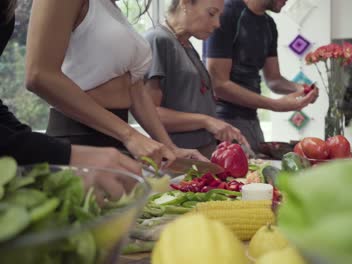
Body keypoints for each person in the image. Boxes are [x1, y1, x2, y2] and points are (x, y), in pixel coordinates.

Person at [24, 0, 206, 168]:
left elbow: (134, 88)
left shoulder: (111, 8)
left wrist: (170, 147)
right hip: (78, 139)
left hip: (118, 139)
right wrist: (130, 135)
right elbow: (39, 75)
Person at [1, 0, 142, 197]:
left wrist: (35, 145)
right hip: (78, 133)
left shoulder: (7, 12)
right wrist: (61, 154)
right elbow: (39, 75)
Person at [203, 0, 319, 151]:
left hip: (252, 121)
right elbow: (218, 84)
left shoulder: (269, 24)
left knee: (258, 172)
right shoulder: (227, 13)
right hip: (223, 122)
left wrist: (301, 89)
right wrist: (275, 105)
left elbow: (274, 79)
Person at [143, 0, 249, 158]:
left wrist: (221, 127)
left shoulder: (185, 44)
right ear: (185, 3)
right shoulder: (158, 40)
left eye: (219, 16)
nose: (217, 24)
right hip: (177, 159)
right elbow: (150, 113)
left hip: (201, 153)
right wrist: (206, 121)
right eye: (212, 13)